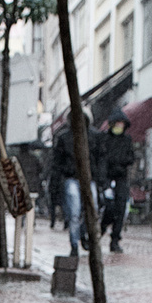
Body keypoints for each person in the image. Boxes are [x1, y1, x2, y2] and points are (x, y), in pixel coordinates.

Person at [53, 107, 106, 256]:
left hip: (90, 179)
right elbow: (57, 162)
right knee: (74, 211)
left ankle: (84, 235)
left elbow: (101, 157)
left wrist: (100, 177)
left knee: (92, 208)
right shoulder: (64, 138)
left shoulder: (95, 136)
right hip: (72, 178)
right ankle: (74, 243)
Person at [100, 107, 135, 253]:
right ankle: (101, 229)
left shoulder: (127, 140)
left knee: (120, 209)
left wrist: (121, 162)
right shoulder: (105, 139)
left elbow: (131, 158)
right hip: (107, 177)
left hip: (121, 177)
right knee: (109, 207)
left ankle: (115, 239)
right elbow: (102, 158)